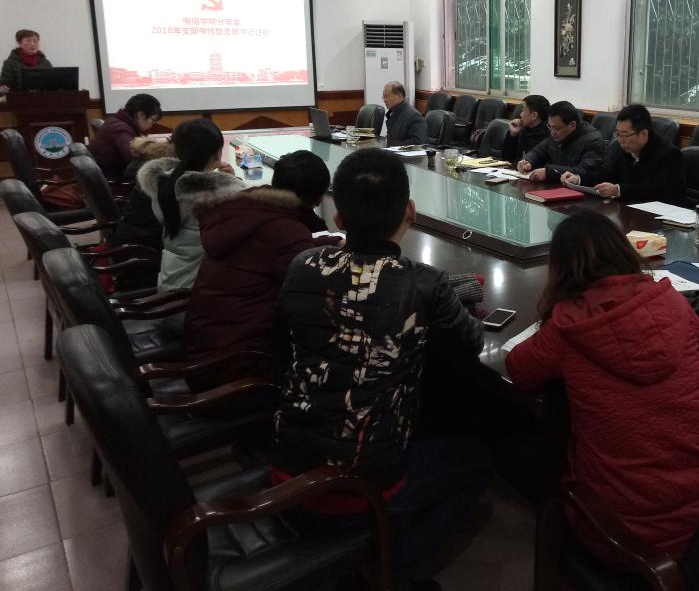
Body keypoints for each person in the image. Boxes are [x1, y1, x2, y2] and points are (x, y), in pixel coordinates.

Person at [272, 147, 492, 591]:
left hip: (287, 468)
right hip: (364, 486)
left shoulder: (302, 265)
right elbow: (472, 342)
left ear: (338, 218)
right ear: (410, 211)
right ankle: (401, 571)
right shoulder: (424, 282)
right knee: (481, 460)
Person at [505, 211, 699, 558]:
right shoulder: (673, 301)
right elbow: (698, 341)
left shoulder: (569, 325)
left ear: (561, 270)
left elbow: (519, 369)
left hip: (622, 534)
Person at [184, 150, 337, 369]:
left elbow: (273, 251)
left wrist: (327, 242)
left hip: (204, 346)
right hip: (240, 364)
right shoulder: (286, 233)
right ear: (319, 198)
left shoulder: (246, 210)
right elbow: (317, 291)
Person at [137, 119, 242, 292]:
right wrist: (232, 181)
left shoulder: (164, 182)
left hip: (170, 280)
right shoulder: (217, 196)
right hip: (199, 292)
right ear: (217, 153)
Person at [561, 104, 684, 204]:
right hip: (632, 210)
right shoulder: (624, 149)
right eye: (618, 134)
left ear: (643, 134)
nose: (620, 140)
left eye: (624, 135)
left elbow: (658, 190)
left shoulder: (669, 154)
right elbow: (607, 174)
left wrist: (618, 190)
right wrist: (579, 178)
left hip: (665, 217)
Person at [517, 100, 606, 184]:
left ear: (572, 125)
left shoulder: (593, 140)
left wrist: (549, 173)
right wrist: (528, 161)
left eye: (556, 128)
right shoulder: (555, 134)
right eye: (550, 127)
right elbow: (537, 152)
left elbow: (585, 172)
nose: (552, 132)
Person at [88, 93, 163, 177]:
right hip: (115, 179)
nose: (152, 124)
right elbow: (133, 155)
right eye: (153, 120)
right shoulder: (121, 129)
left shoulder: (115, 121)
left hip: (109, 174)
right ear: (141, 114)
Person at [501, 94, 550, 164]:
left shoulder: (546, 137)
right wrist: (513, 135)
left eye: (523, 110)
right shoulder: (525, 130)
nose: (520, 114)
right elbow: (507, 159)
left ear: (534, 115)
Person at [383, 81, 428, 146]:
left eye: (387, 96)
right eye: (383, 97)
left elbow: (418, 143)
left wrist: (392, 145)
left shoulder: (414, 116)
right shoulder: (394, 113)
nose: (385, 100)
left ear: (400, 96)